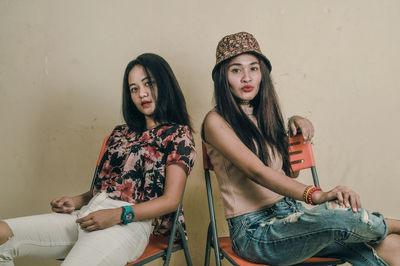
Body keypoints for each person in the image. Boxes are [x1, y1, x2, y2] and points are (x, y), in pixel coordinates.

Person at [202, 32, 400, 265]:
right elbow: (257, 172)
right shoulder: (215, 121)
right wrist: (317, 195)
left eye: (253, 68)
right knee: (336, 214)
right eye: (236, 70)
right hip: (254, 232)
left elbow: (288, 173)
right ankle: (393, 223)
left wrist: (293, 126)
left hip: (292, 214)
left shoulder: (267, 115)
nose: (247, 77)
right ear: (222, 78)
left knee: (392, 245)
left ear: (262, 73)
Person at [0, 53, 196, 266]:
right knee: (1, 234)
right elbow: (102, 190)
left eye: (148, 83)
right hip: (90, 213)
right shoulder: (121, 133)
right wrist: (75, 201)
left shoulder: (178, 135)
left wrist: (118, 214)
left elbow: (171, 200)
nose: (142, 94)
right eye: (134, 89)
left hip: (131, 222)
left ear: (164, 83)